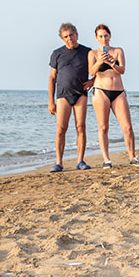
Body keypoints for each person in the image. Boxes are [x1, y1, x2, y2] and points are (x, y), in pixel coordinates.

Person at [87, 24, 139, 169]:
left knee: (127, 127)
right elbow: (92, 72)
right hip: (101, 91)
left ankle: (132, 156)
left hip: (118, 91)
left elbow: (122, 70)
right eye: (100, 36)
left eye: (106, 35)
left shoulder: (118, 51)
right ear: (96, 38)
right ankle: (106, 159)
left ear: (110, 36)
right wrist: (100, 61)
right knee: (103, 127)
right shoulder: (93, 53)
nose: (104, 39)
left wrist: (112, 63)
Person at [48, 23, 93, 172]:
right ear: (62, 38)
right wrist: (50, 101)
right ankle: (59, 162)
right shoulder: (57, 54)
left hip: (80, 94)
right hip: (62, 96)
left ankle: (80, 160)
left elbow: (97, 69)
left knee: (81, 127)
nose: (69, 39)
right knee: (61, 129)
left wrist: (93, 81)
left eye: (71, 35)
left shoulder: (87, 52)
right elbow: (52, 78)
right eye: (66, 37)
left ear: (77, 34)